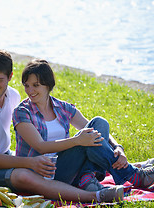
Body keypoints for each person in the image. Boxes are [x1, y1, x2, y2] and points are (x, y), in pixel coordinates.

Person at [0, 49, 124, 203]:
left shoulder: (12, 95)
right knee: (24, 176)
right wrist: (31, 162)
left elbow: (87, 126)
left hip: (5, 155)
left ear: (10, 76)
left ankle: (123, 172)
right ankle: (96, 196)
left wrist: (117, 146)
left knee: (95, 129)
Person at [13, 59, 154, 191]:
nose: (30, 91)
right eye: (27, 85)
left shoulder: (62, 108)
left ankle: (86, 177)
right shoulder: (22, 112)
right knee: (85, 140)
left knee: (99, 122)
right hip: (43, 174)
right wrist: (76, 141)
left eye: (36, 85)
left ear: (48, 84)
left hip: (69, 165)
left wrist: (118, 147)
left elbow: (98, 130)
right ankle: (130, 174)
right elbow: (40, 146)